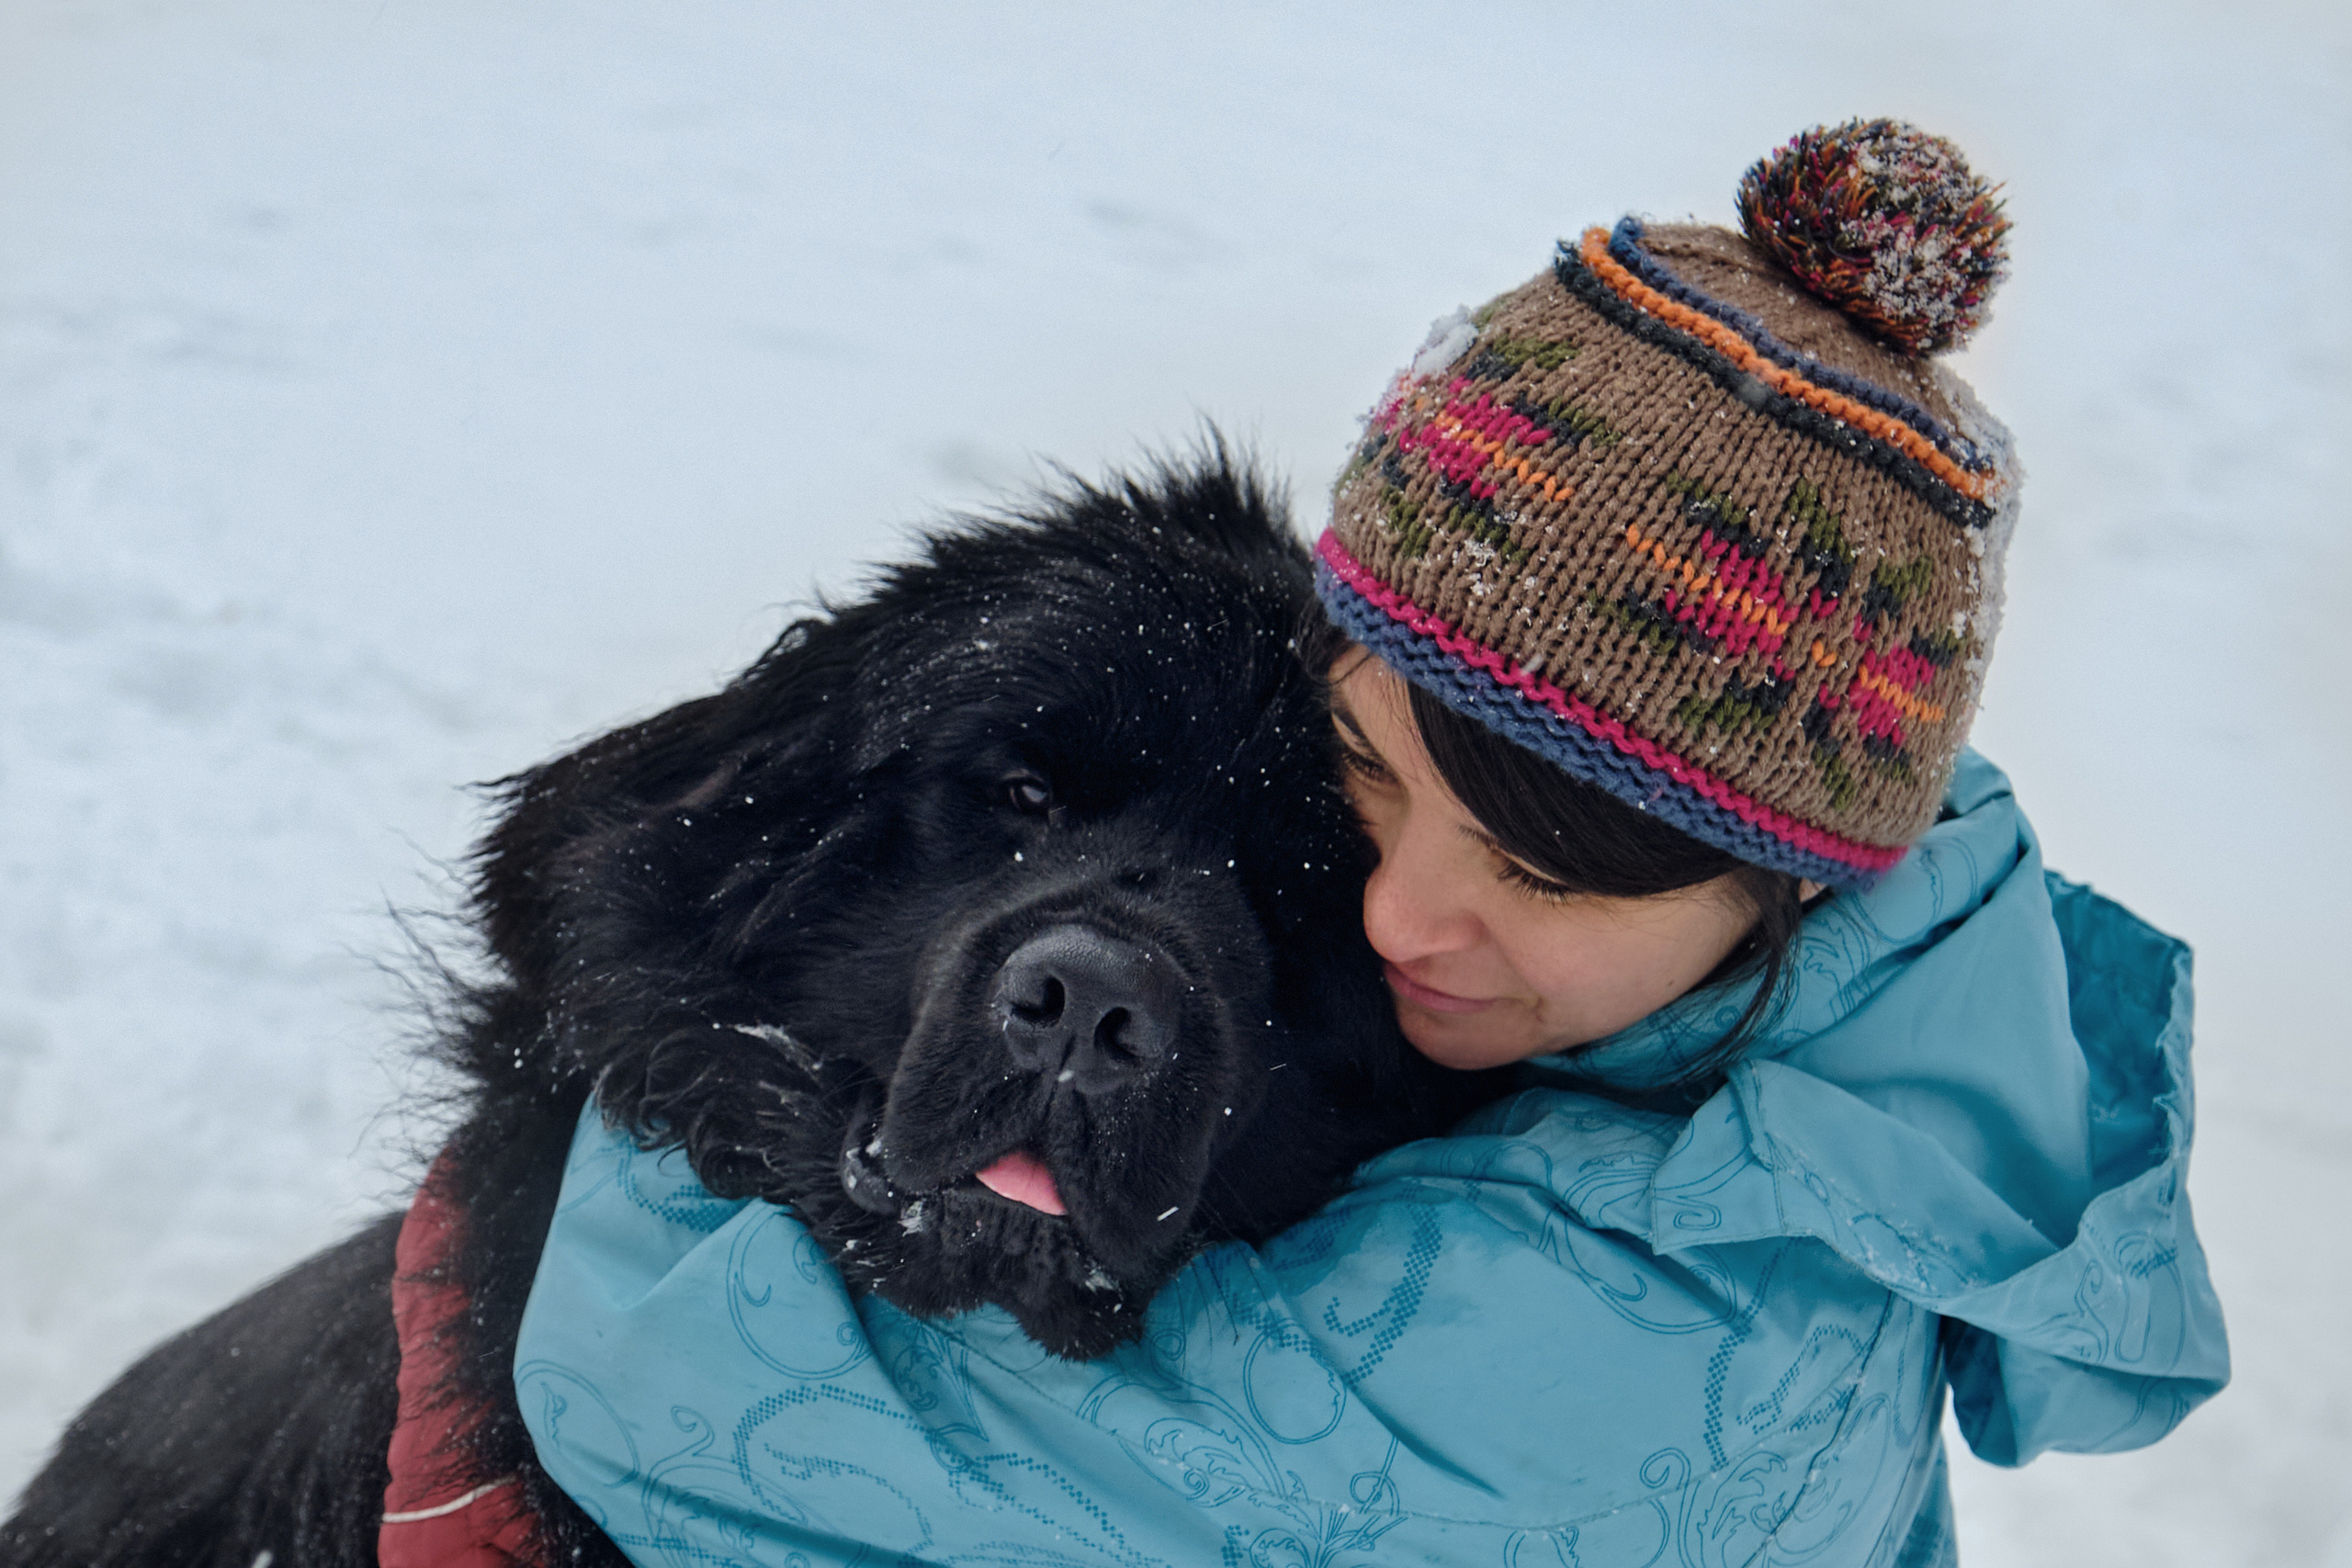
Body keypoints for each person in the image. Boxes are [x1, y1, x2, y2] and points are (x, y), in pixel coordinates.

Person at [512, 121, 2227, 1565]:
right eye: (1370, 783)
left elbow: (678, 1406)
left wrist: (518, 1192)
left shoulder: (1656, 1358)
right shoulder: (1779, 1014)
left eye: (1545, 868)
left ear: (1788, 879)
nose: (1402, 913)